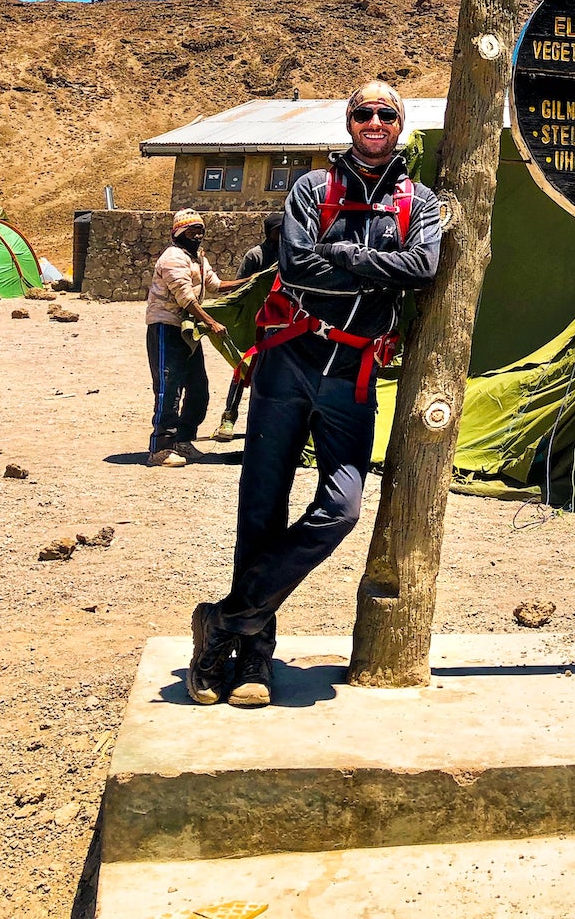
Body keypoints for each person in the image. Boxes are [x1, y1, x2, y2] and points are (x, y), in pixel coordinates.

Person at [187, 80, 442, 708]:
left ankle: (224, 620)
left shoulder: (422, 201)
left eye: (387, 114)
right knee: (261, 508)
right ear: (349, 124)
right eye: (364, 114)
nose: (375, 122)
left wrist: (344, 255)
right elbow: (297, 266)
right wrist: (373, 267)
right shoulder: (310, 189)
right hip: (287, 361)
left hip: (352, 375)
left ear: (400, 125)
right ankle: (250, 662)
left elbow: (425, 269)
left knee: (343, 508)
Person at [145, 211, 240, 467]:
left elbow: (214, 285)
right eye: (191, 231)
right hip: (167, 327)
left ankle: (184, 440)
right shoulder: (173, 258)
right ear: (178, 233)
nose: (197, 235)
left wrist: (250, 282)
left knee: (198, 389)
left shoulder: (197, 258)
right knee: (169, 388)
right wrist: (211, 322)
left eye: (200, 230)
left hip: (188, 329)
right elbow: (185, 298)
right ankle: (160, 448)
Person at [212, 213, 287, 442]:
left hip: (282, 322)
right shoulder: (256, 255)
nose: (282, 234)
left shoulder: (290, 253)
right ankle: (228, 417)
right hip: (256, 323)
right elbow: (241, 289)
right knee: (244, 369)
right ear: (270, 231)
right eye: (278, 230)